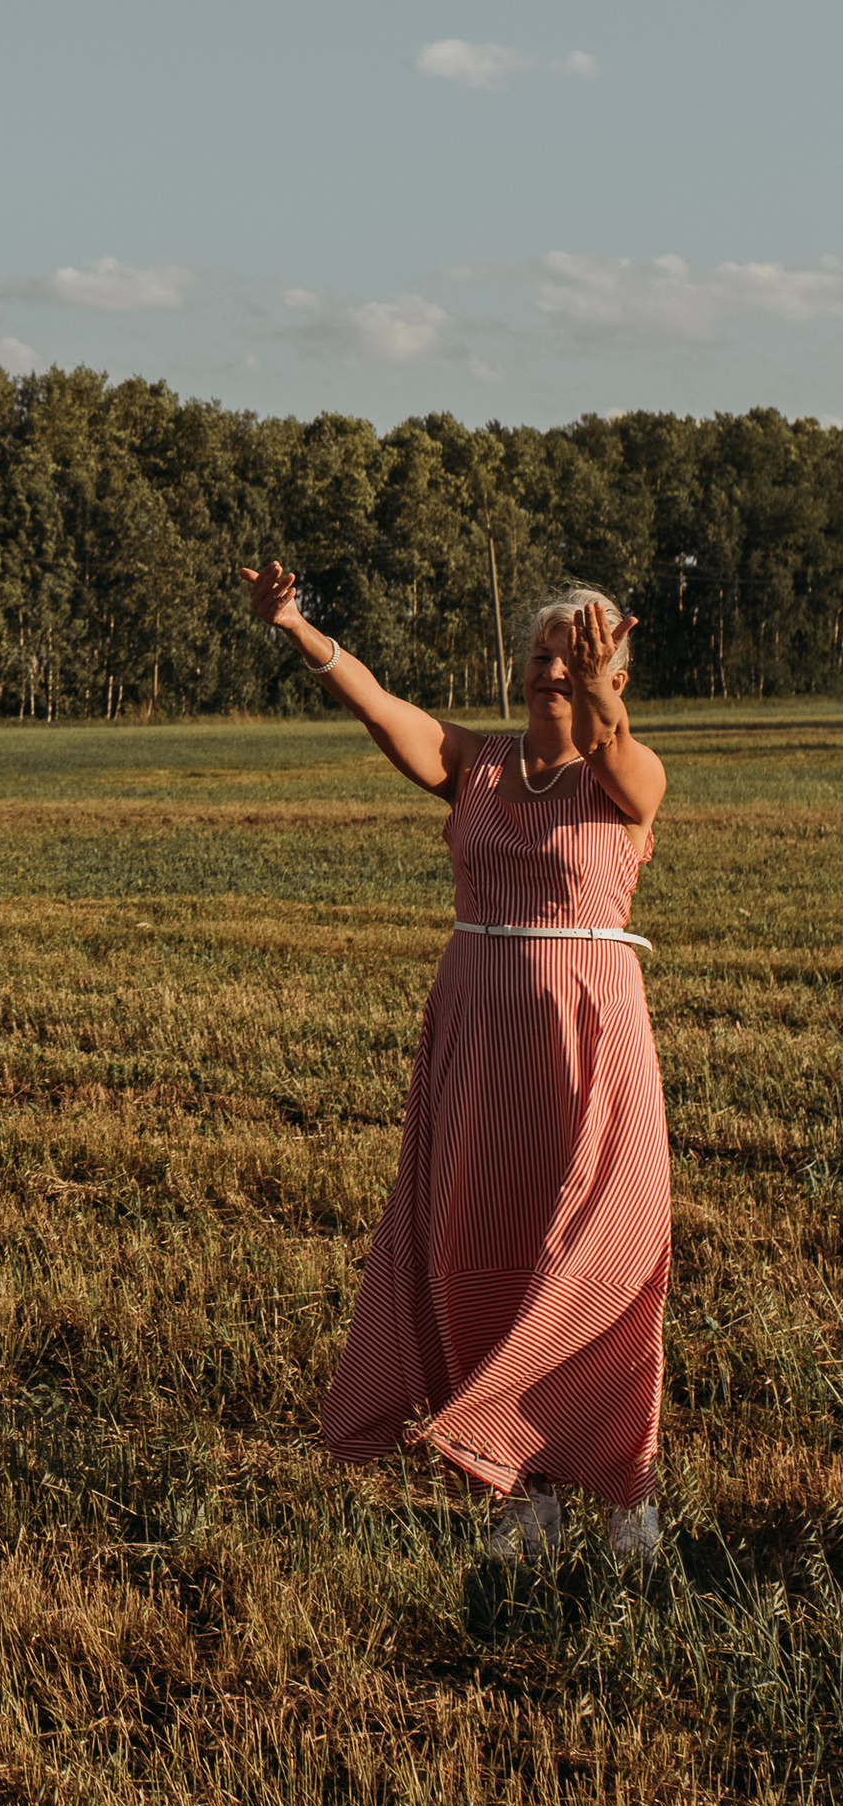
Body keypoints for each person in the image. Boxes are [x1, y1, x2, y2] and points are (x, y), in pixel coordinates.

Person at [240, 561, 670, 1566]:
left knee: (604, 1261)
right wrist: (296, 626)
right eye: (542, 654)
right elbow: (381, 707)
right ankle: (520, 1489)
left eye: (576, 657)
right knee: (479, 1250)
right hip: (480, 1046)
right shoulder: (477, 764)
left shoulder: (627, 778)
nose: (552, 671)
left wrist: (600, 692)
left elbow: (615, 744)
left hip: (588, 1047)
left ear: (614, 676)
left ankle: (626, 1490)